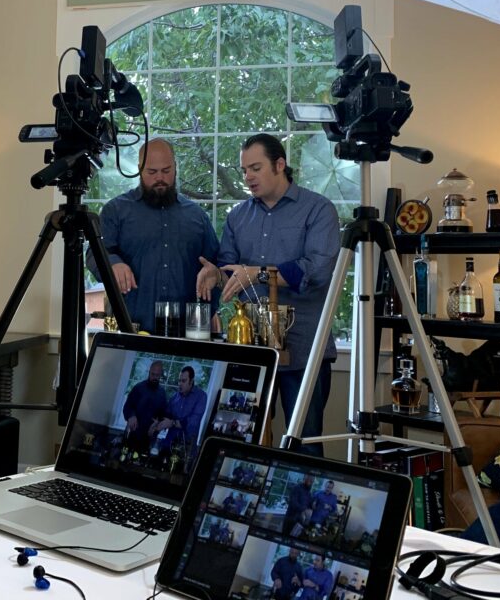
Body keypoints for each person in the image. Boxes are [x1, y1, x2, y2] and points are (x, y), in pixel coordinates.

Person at [196, 133, 339, 456]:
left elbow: (317, 270)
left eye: (255, 168)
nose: (247, 177)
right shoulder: (237, 217)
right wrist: (215, 274)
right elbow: (231, 273)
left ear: (279, 164)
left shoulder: (318, 210)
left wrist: (260, 273)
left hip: (304, 352)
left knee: (304, 445)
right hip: (249, 352)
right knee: (242, 442)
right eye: (244, 170)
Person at [88, 138, 219, 333]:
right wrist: (113, 263)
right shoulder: (116, 211)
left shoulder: (197, 216)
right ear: (140, 169)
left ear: (175, 167)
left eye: (166, 171)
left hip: (187, 334)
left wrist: (215, 274)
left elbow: (216, 267)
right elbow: (93, 255)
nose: (160, 178)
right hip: (129, 329)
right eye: (152, 172)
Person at [151, 365, 207, 452]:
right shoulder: (174, 397)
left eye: (183, 381)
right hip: (168, 446)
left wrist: (173, 423)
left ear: (191, 381)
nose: (180, 384)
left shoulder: (201, 396)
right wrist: (156, 425)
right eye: (179, 381)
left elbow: (193, 423)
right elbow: (166, 418)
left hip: (186, 450)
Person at [121, 360, 167, 451]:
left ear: (160, 375)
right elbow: (127, 407)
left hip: (149, 437)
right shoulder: (138, 388)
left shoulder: (162, 393)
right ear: (149, 372)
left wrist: (156, 425)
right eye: (152, 374)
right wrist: (131, 416)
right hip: (132, 434)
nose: (154, 377)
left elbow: (162, 415)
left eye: (157, 375)